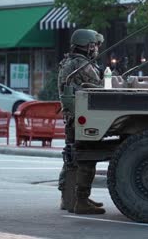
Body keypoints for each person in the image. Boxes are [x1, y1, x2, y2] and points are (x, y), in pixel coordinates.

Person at [57, 29, 105, 214]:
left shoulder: (68, 61)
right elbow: (100, 86)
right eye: (95, 45)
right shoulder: (81, 64)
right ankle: (80, 200)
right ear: (88, 45)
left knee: (71, 158)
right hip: (79, 119)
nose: (96, 49)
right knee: (85, 158)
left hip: (71, 117)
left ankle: (70, 199)